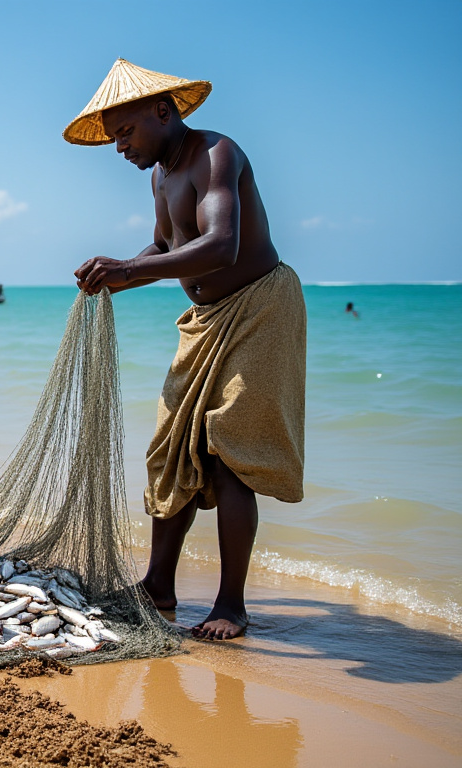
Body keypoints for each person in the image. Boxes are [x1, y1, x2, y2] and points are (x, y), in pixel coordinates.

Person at [68, 59, 307, 640]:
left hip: (260, 308)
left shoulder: (216, 153)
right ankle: (158, 586)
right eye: (112, 138)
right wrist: (121, 276)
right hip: (204, 319)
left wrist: (130, 267)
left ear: (162, 110)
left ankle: (230, 605)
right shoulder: (160, 176)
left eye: (124, 132)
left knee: (229, 454)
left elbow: (221, 246)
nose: (118, 146)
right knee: (171, 445)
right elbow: (163, 243)